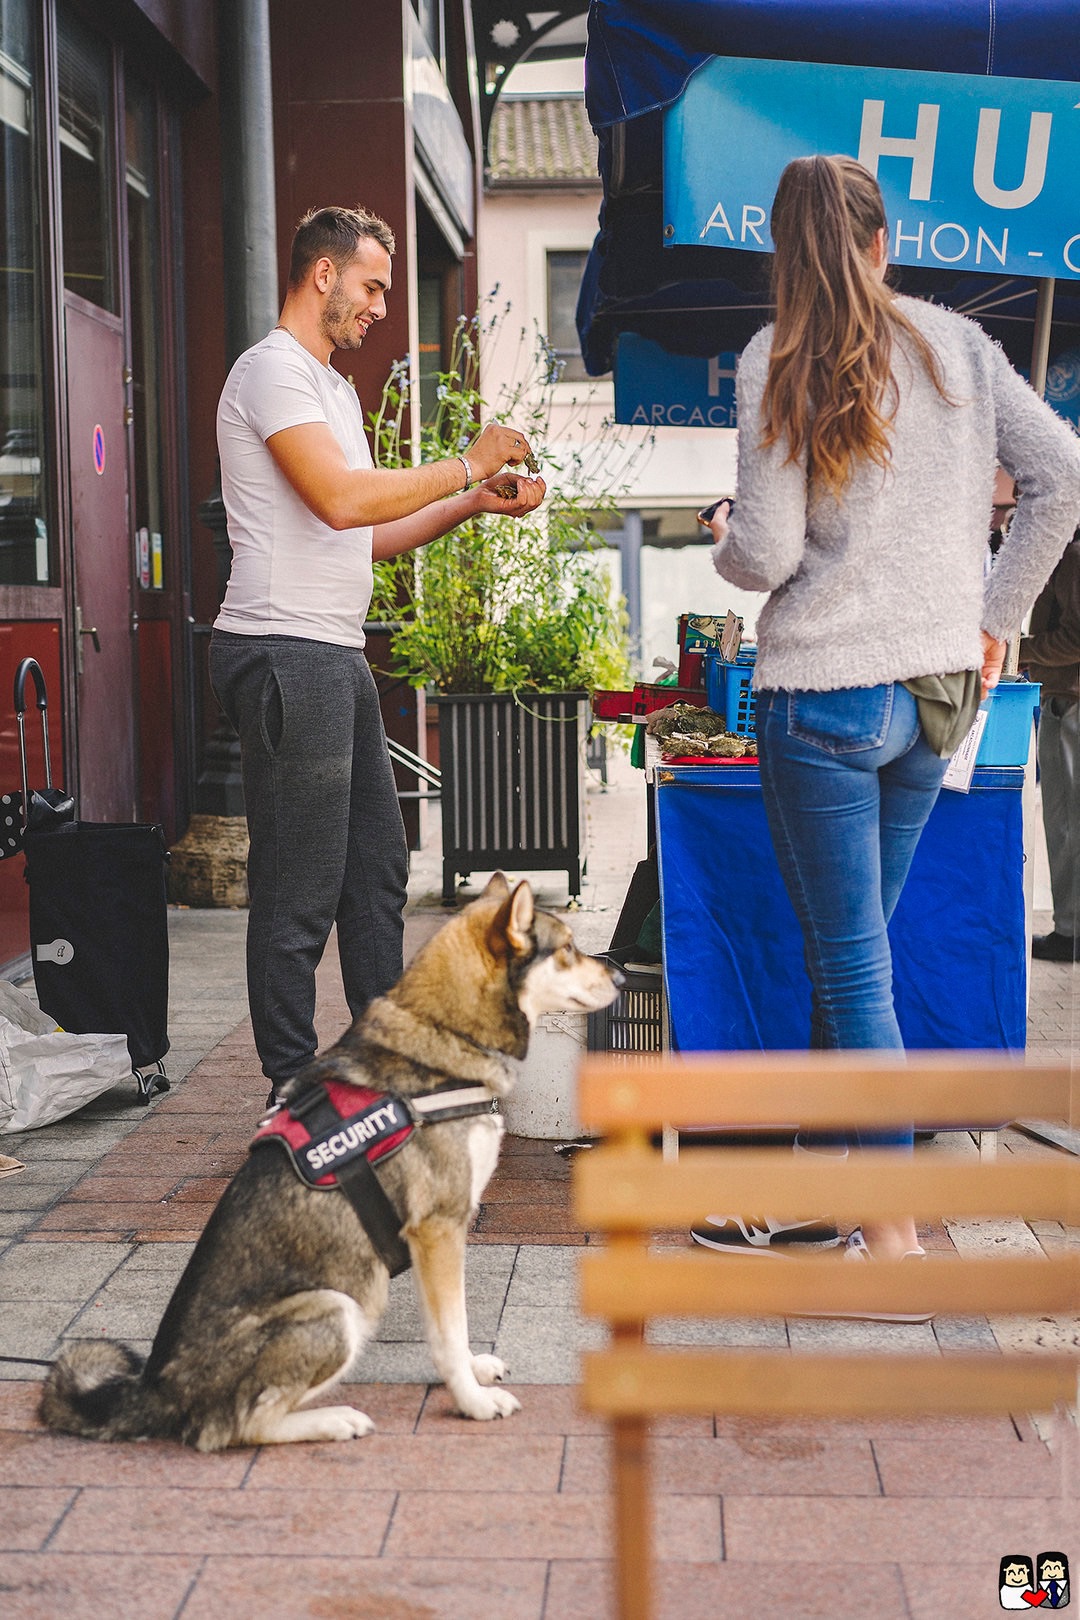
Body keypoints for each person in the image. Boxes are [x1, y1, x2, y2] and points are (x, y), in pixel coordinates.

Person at [694, 155, 1080, 1273]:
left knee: (852, 970)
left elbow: (764, 551)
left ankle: (896, 1242)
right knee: (846, 960)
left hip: (824, 694)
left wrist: (725, 536)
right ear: (879, 241)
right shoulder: (957, 343)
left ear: (784, 250)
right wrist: (995, 615)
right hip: (937, 699)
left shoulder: (780, 358)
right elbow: (1064, 475)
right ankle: (816, 1201)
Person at [210, 206, 546, 1106]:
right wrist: (464, 465)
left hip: (331, 649)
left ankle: (383, 1060)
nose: (380, 308)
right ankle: (291, 1079)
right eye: (372, 287)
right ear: (321, 275)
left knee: (377, 873)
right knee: (301, 885)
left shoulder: (331, 387)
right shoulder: (271, 372)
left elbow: (372, 531)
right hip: (283, 646)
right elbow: (338, 498)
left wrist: (473, 502)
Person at [1020, 527, 1080, 962]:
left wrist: (1021, 650)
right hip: (1067, 699)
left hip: (1069, 702)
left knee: (1065, 820)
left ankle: (1071, 932)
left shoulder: (1073, 556)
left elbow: (1074, 640)